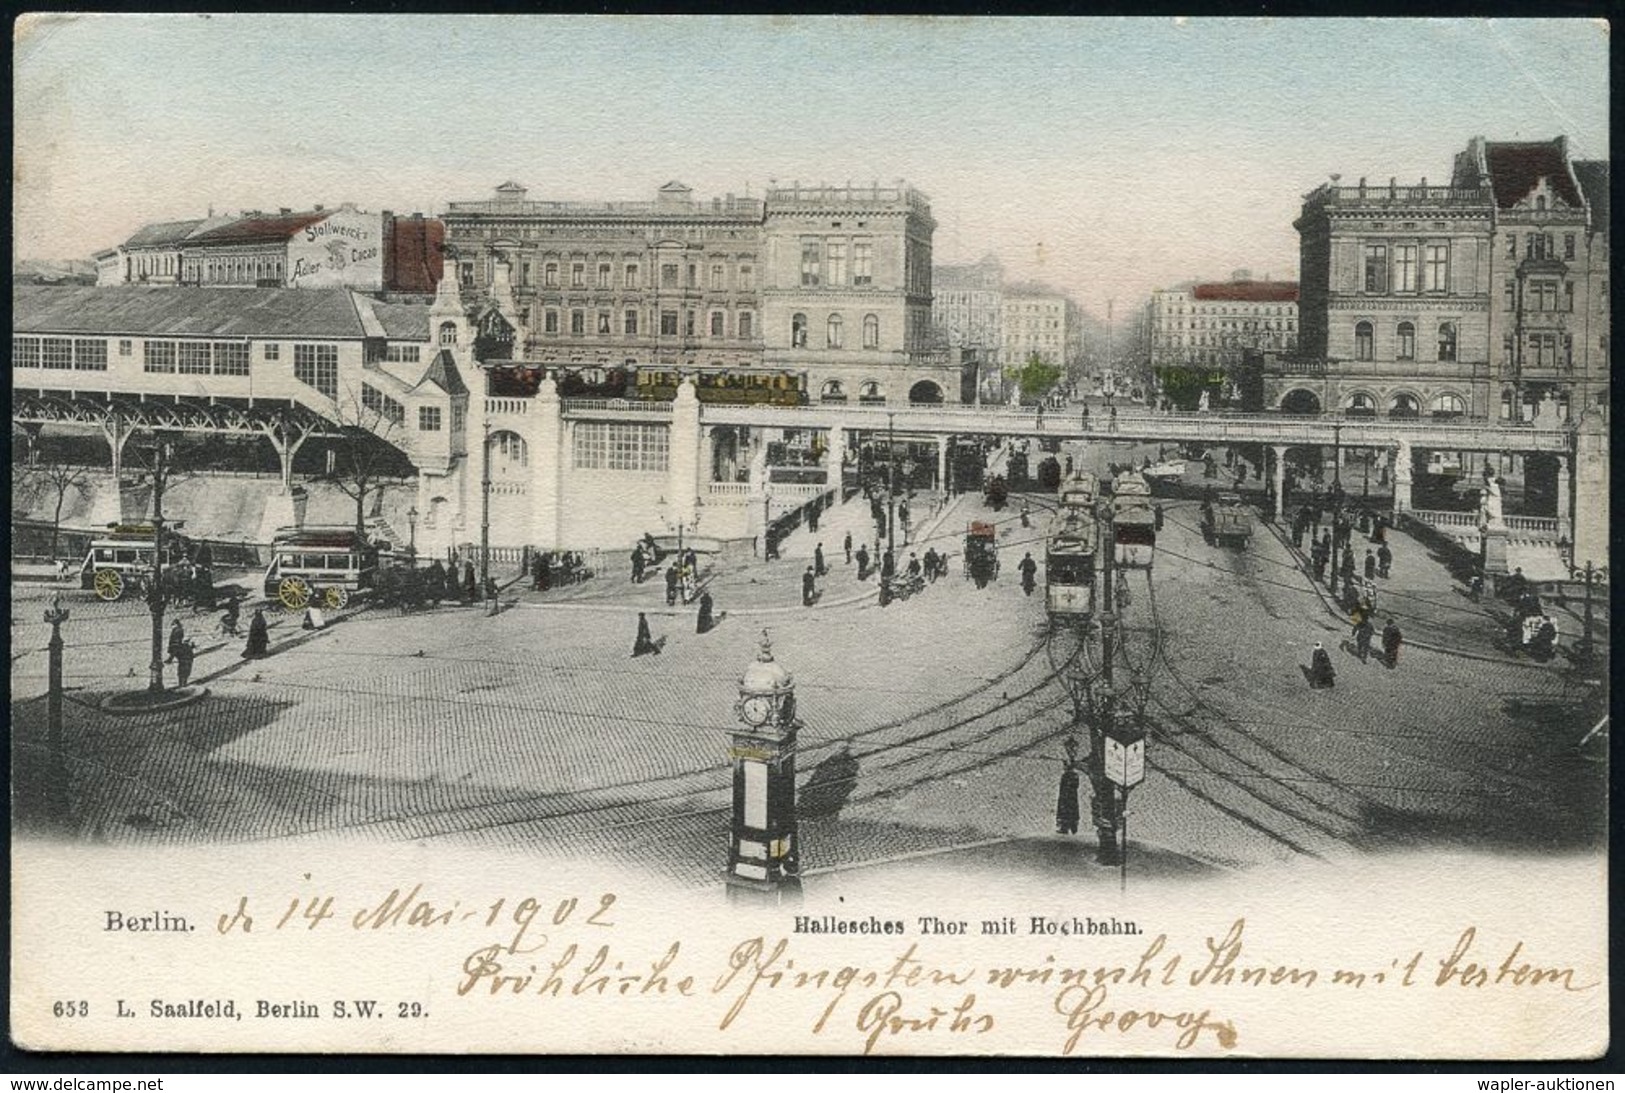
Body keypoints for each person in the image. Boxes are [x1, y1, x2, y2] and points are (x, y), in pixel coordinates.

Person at [1055, 761, 1080, 835]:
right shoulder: (1074, 775)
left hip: (1066, 796)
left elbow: (1063, 787)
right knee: (1072, 811)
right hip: (1072, 796)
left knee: (1065, 811)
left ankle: (1066, 828)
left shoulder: (1066, 775)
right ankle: (1073, 828)